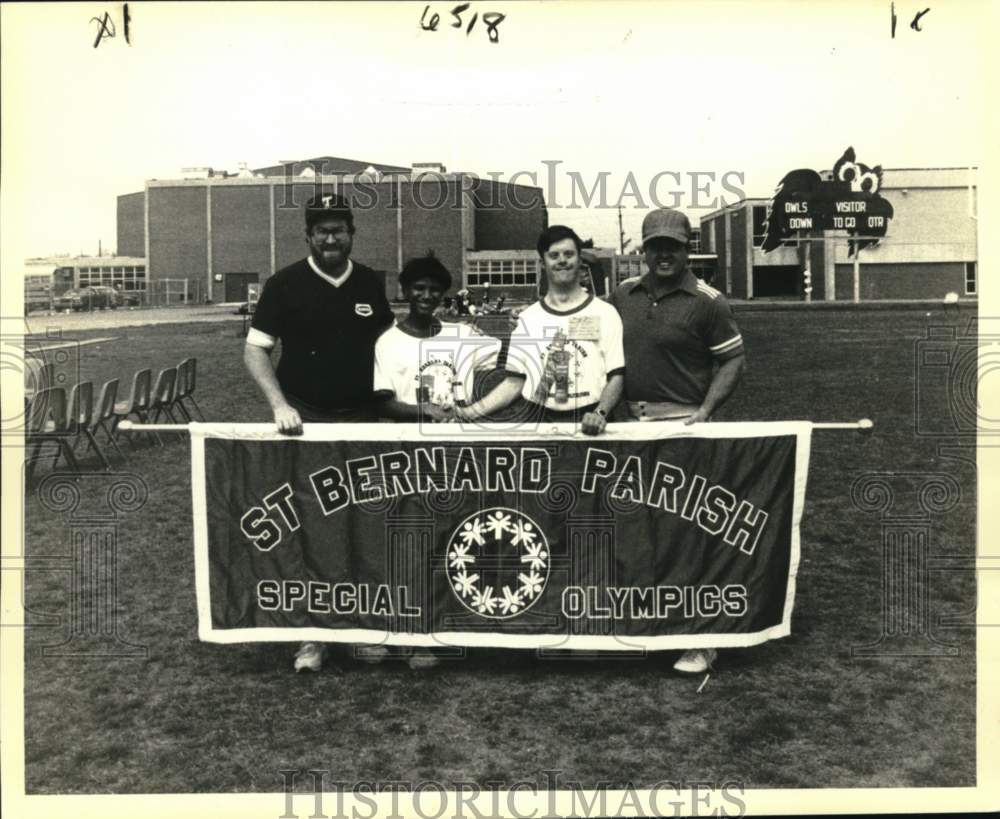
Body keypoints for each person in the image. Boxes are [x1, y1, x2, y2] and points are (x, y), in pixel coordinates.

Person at [243, 188, 393, 672]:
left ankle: (363, 629)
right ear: (308, 235)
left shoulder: (370, 282)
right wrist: (279, 405)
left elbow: (391, 348)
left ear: (352, 233)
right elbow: (254, 350)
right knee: (313, 530)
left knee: (366, 526)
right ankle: (311, 637)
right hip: (308, 423)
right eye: (322, 230)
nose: (331, 238)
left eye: (340, 229)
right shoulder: (284, 284)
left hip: (365, 422)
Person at [611, 207, 746, 674]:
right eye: (655, 246)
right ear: (643, 250)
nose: (664, 254)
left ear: (687, 249)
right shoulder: (623, 296)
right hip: (629, 428)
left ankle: (701, 639)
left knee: (685, 533)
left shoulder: (708, 300)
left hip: (682, 426)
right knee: (638, 532)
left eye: (673, 245)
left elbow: (732, 361)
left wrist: (705, 412)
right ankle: (650, 627)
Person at [374, 256, 503, 669]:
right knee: (405, 543)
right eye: (419, 289)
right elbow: (383, 403)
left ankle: (438, 631)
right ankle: (399, 630)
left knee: (449, 542)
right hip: (408, 454)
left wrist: (471, 402)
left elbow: (505, 358)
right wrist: (424, 411)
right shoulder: (388, 341)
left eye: (434, 289)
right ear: (405, 291)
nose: (427, 296)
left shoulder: (462, 334)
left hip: (454, 455)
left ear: (444, 294)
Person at [456, 225, 624, 434]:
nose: (562, 260)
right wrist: (468, 413)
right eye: (554, 255)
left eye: (569, 254)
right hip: (539, 420)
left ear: (580, 260)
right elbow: (515, 381)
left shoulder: (605, 313)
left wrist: (600, 413)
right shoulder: (526, 318)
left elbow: (616, 376)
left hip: (589, 420)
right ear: (543, 263)